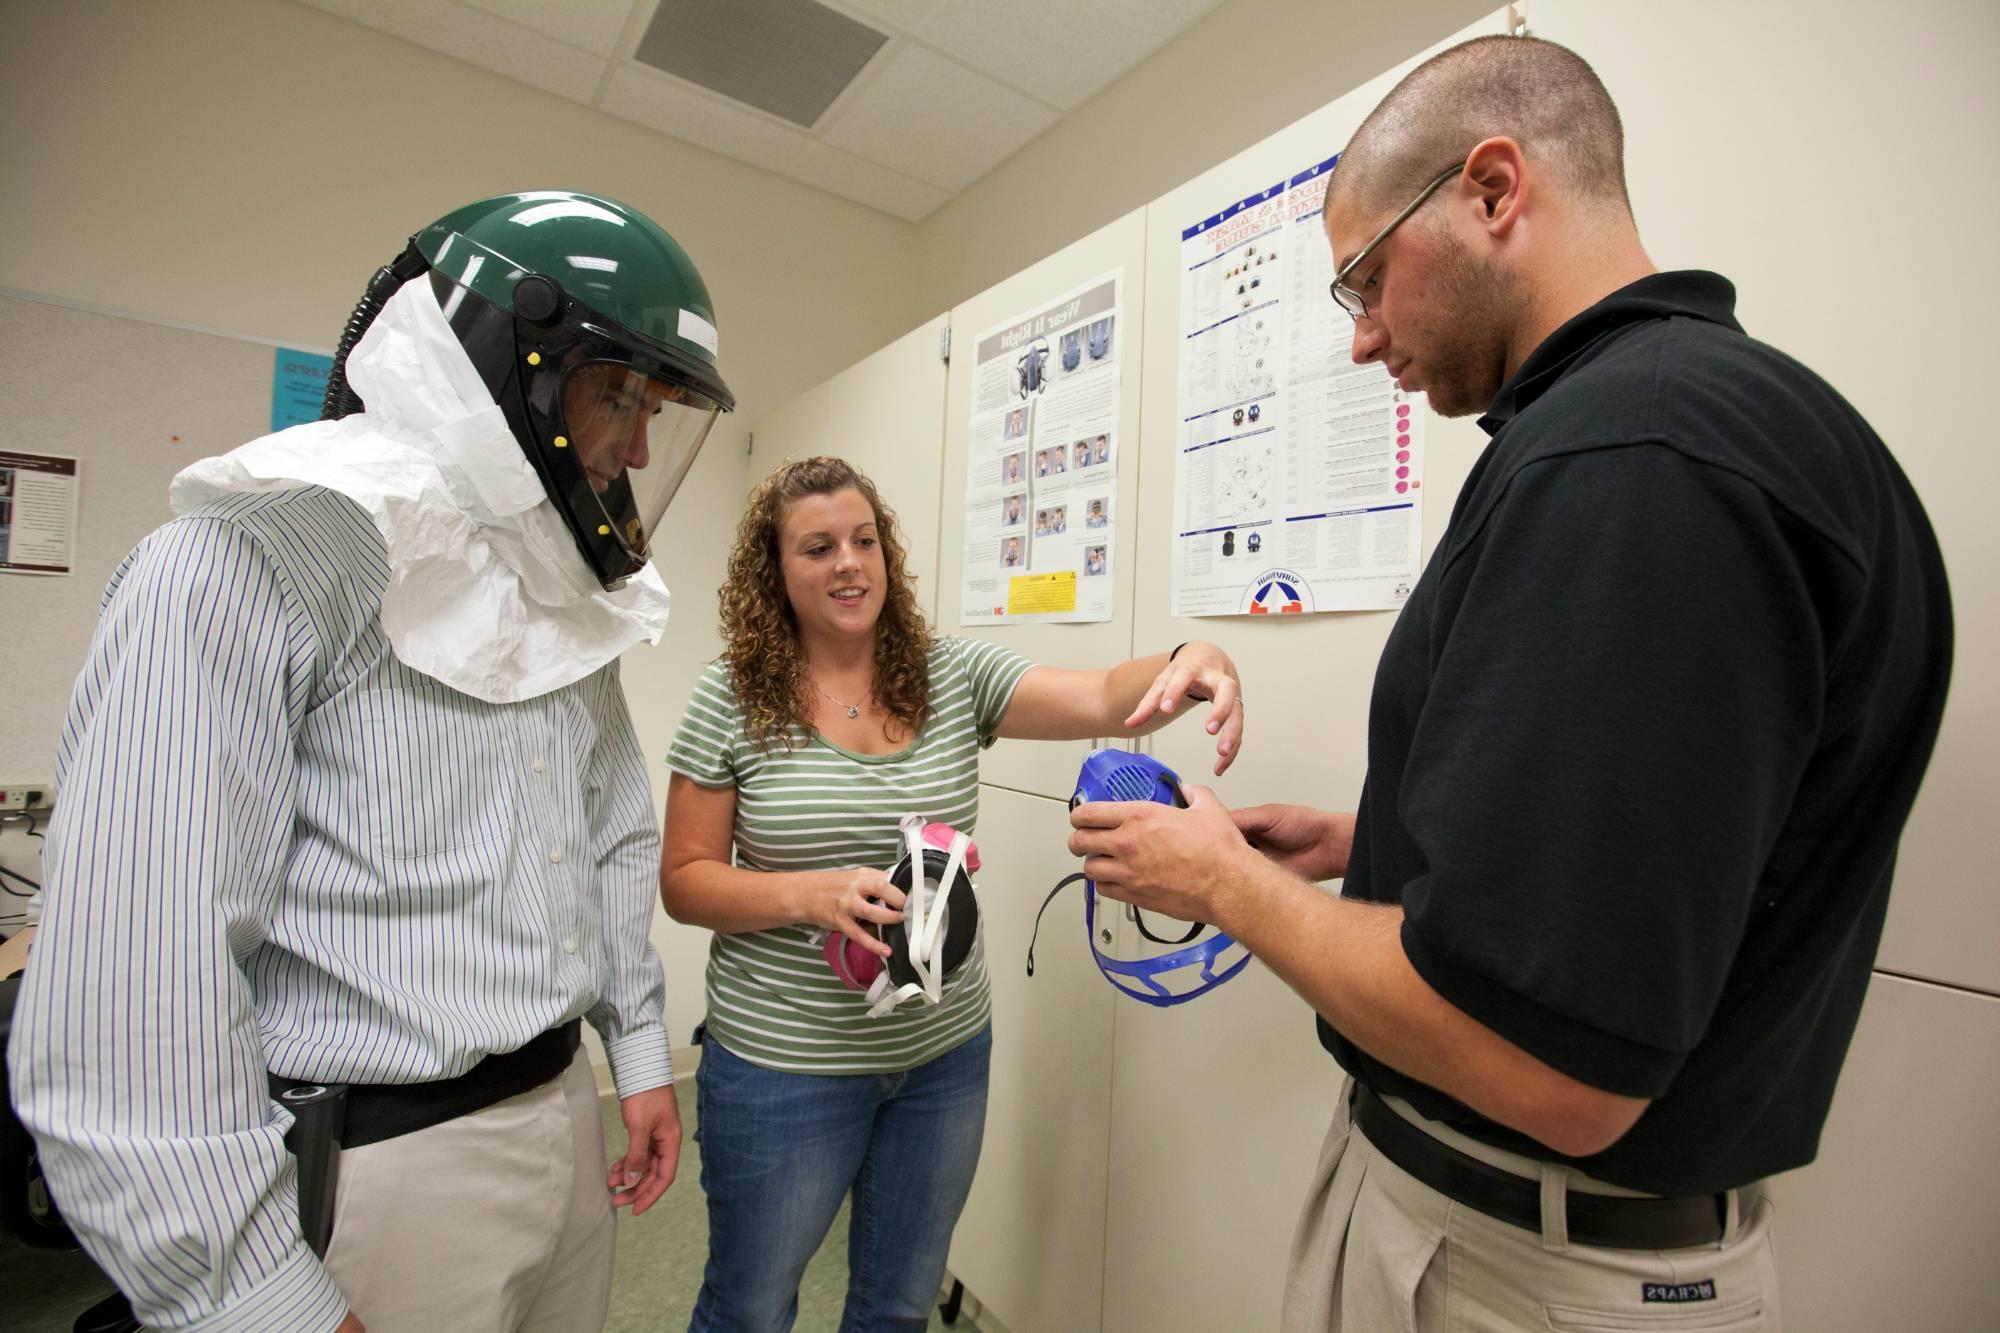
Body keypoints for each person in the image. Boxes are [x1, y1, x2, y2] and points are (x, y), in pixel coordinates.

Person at [1068, 36, 1951, 1333]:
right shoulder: (1732, 428)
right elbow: (1671, 867)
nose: (1364, 340)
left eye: (1368, 278)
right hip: (1519, 1242)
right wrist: (1367, 843)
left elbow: (1546, 1059)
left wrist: (1221, 883)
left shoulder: (1634, 462)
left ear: (1493, 189)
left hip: (1519, 1275)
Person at [8, 191, 738, 1333]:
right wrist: (255, 1295)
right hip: (375, 1166)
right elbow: (138, 989)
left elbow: (608, 834)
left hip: (559, 1115)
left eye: (656, 408)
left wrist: (635, 1052)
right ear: (514, 360)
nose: (640, 447)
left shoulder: (567, 597)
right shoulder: (235, 562)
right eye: (619, 395)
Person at [661, 456, 1244, 1332]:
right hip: (786, 1065)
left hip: (943, 1056)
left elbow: (1096, 693)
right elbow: (684, 880)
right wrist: (809, 895)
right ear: (775, 573)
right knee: (749, 1306)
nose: (849, 563)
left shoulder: (946, 674)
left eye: (864, 540)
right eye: (818, 547)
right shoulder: (730, 698)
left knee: (898, 1305)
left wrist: (1189, 656)